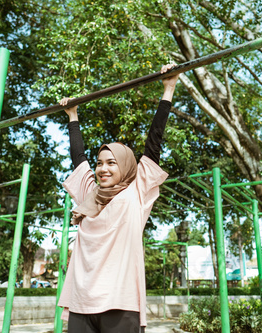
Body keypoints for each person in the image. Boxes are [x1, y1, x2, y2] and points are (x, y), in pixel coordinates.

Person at [57, 64, 179, 333]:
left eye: (111, 163)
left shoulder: (136, 191)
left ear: (124, 166)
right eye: (100, 163)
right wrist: (72, 116)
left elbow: (154, 144)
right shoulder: (90, 194)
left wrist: (168, 89)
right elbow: (78, 159)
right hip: (82, 301)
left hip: (120, 304)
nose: (103, 168)